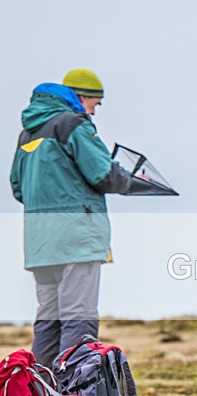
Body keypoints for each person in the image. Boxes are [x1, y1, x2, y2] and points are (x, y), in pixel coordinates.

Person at [10, 69, 133, 369]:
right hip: (77, 238)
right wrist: (129, 180)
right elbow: (103, 174)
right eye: (95, 103)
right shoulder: (74, 124)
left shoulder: (29, 132)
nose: (94, 111)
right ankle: (74, 391)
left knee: (48, 321)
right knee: (79, 317)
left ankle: (42, 392)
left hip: (40, 243)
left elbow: (18, 187)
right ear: (81, 97)